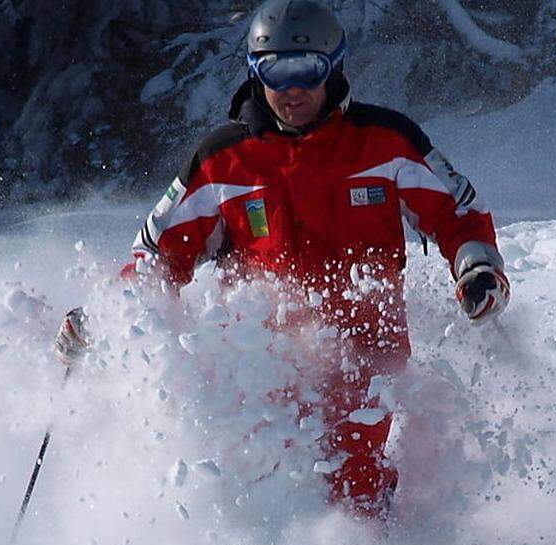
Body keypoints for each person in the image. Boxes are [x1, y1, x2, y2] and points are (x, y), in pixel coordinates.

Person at [55, 0, 510, 518]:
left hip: (364, 359)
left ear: (333, 67)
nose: (292, 90)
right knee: (264, 491)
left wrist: (476, 266)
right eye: (275, 72)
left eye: (307, 71)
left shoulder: (385, 142)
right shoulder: (222, 159)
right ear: (255, 72)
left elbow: (456, 210)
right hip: (262, 364)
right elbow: (160, 256)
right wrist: (108, 312)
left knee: (353, 487)